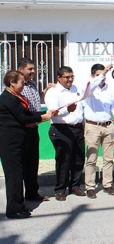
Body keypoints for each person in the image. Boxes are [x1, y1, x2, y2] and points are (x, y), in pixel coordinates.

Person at [0, 71, 52, 219]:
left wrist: (43, 114)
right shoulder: (7, 99)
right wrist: (43, 117)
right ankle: (14, 209)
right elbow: (23, 118)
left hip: (20, 141)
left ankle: (24, 201)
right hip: (10, 144)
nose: (24, 85)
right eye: (22, 83)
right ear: (12, 83)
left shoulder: (17, 97)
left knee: (24, 172)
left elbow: (28, 113)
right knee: (14, 177)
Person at [45, 66, 101, 201]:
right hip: (61, 129)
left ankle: (74, 186)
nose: (70, 79)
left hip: (77, 129)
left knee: (78, 159)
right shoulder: (53, 92)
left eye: (71, 76)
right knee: (64, 160)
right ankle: (60, 189)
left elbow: (87, 96)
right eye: (66, 77)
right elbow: (53, 113)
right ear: (59, 78)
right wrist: (67, 110)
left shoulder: (76, 89)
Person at [17, 57, 55, 202]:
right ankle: (19, 198)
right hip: (22, 130)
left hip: (33, 129)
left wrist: (45, 91)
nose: (33, 71)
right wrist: (42, 117)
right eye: (30, 69)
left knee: (33, 164)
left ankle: (32, 194)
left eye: (34, 68)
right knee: (21, 165)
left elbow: (35, 102)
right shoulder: (16, 86)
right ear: (21, 70)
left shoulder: (32, 85)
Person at [83, 64, 114, 199]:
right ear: (93, 75)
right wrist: (103, 72)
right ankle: (90, 186)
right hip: (92, 126)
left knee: (108, 158)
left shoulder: (111, 89)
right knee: (91, 158)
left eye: (104, 75)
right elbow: (93, 85)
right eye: (99, 75)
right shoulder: (89, 87)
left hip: (108, 125)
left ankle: (107, 184)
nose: (102, 77)